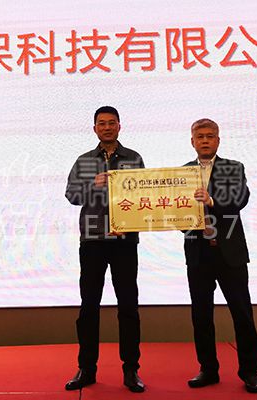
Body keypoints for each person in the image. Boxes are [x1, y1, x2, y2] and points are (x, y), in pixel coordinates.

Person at [64, 106, 146, 393]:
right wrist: (93, 184)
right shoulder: (84, 161)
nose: (107, 127)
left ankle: (131, 369)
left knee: (128, 307)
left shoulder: (133, 158)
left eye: (112, 123)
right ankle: (86, 368)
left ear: (120, 126)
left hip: (125, 241)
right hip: (93, 240)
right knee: (89, 306)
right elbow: (71, 195)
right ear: (95, 128)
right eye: (102, 123)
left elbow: (144, 195)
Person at [183, 118, 257, 393]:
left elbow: (240, 200)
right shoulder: (182, 173)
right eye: (200, 136)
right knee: (201, 316)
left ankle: (250, 371)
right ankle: (208, 369)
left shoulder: (233, 168)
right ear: (192, 141)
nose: (205, 140)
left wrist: (211, 201)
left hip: (230, 253)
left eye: (210, 136)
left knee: (242, 314)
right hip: (198, 253)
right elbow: (177, 212)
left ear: (218, 140)